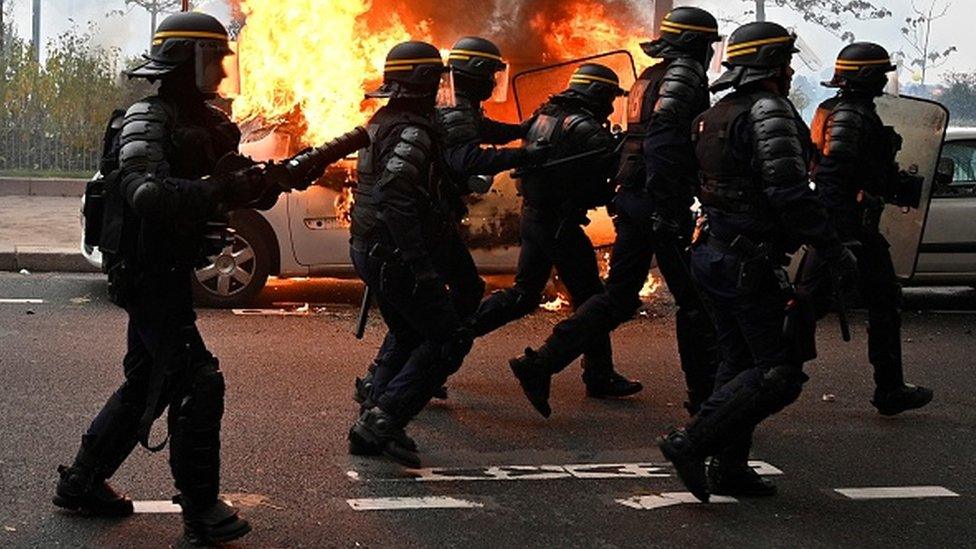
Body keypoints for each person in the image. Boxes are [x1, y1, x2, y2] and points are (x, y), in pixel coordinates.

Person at [52, 12, 346, 546]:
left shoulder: (206, 124)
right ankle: (201, 511)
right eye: (214, 58)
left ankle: (82, 482)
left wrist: (283, 176)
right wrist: (217, 189)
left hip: (166, 271)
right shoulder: (148, 118)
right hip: (145, 273)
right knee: (197, 379)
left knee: (147, 380)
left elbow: (235, 185)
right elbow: (146, 193)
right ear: (186, 60)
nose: (222, 67)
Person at [658, 22, 858, 502]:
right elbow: (789, 192)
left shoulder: (712, 113)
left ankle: (729, 466)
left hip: (713, 253)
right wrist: (832, 248)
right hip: (747, 262)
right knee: (778, 372)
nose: (791, 71)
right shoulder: (769, 112)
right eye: (786, 61)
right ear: (771, 64)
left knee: (737, 361)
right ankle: (691, 443)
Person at [512, 6, 722, 416]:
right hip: (656, 199)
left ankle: (541, 363)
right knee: (694, 301)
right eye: (708, 45)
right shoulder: (684, 75)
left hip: (636, 197)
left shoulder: (650, 76)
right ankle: (706, 400)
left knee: (621, 297)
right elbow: (662, 140)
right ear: (697, 44)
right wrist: (667, 202)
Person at [352, 36, 543, 411]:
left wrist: (521, 132)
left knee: (421, 317)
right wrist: (524, 155)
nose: (492, 81)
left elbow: (479, 129)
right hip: (421, 227)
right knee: (446, 320)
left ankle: (389, 380)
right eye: (490, 73)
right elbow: (463, 158)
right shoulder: (443, 111)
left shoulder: (445, 108)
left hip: (419, 224)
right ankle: (396, 394)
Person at [468, 63, 637, 417]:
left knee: (523, 295)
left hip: (536, 217)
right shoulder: (585, 128)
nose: (609, 107)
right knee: (592, 298)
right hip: (558, 223)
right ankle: (594, 375)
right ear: (596, 94)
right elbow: (601, 184)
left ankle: (451, 339)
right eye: (607, 98)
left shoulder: (543, 115)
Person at [347, 41, 475, 469]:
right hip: (395, 254)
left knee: (409, 335)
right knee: (446, 338)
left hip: (375, 250)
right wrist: (420, 264)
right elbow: (396, 197)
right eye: (436, 79)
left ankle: (374, 417)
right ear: (422, 83)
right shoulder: (411, 130)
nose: (442, 87)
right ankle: (383, 420)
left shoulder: (384, 122)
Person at [796, 42, 933, 416]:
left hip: (849, 229)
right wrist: (842, 237)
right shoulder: (849, 116)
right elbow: (833, 177)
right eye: (882, 73)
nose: (885, 80)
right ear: (869, 77)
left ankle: (888, 388)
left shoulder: (838, 111)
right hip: (846, 230)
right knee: (808, 308)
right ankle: (765, 380)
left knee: (881, 300)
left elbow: (860, 170)